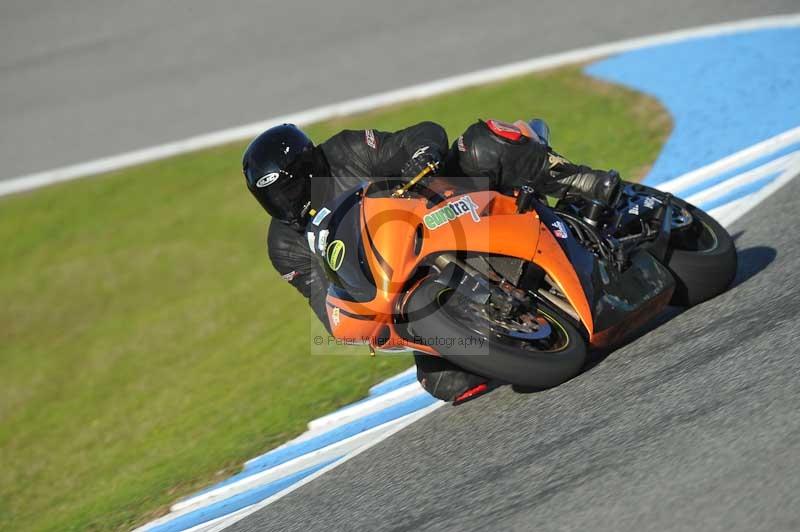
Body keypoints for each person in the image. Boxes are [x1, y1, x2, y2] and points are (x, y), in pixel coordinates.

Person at [242, 119, 619, 402]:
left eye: (289, 188)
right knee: (447, 382)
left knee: (480, 145)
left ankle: (579, 181)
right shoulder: (283, 245)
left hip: (443, 210)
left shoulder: (345, 150)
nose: (285, 202)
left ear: (310, 167)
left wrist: (421, 155)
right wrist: (367, 324)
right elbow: (327, 306)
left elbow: (419, 135)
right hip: (400, 285)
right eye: (271, 198)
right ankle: (513, 320)